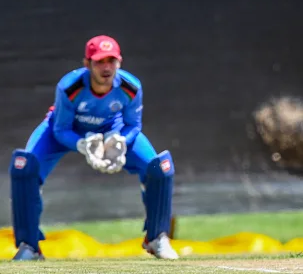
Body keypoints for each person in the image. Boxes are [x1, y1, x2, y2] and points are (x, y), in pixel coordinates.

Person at [9, 35, 180, 261]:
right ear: (87, 64)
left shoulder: (130, 87)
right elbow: (60, 129)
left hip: (113, 130)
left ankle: (157, 237)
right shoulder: (70, 87)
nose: (106, 67)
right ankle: (29, 246)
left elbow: (133, 125)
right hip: (68, 131)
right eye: (100, 61)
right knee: (24, 167)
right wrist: (82, 143)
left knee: (159, 168)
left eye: (112, 61)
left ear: (119, 62)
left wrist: (120, 141)